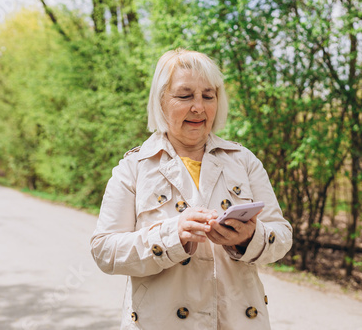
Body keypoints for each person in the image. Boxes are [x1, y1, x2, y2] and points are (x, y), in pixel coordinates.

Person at [90, 48, 293, 330]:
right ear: (161, 100)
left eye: (208, 96)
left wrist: (249, 237)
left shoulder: (243, 161)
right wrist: (172, 236)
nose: (199, 107)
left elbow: (282, 237)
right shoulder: (134, 167)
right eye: (185, 96)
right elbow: (105, 251)